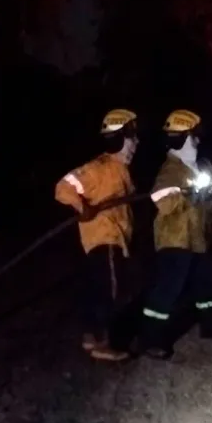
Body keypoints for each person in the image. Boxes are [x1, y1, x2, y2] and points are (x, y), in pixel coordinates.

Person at [140, 109, 212, 360]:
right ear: (181, 138)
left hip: (199, 238)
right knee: (168, 289)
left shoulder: (202, 164)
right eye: (193, 137)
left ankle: (211, 327)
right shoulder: (170, 171)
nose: (197, 141)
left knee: (206, 285)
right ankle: (150, 339)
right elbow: (161, 200)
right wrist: (187, 194)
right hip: (175, 240)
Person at [55, 109, 139, 361]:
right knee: (109, 291)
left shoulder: (119, 169)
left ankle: (91, 335)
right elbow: (63, 187)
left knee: (98, 288)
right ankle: (103, 342)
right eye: (132, 138)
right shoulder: (100, 167)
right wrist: (83, 207)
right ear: (118, 140)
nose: (136, 143)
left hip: (113, 239)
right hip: (105, 238)